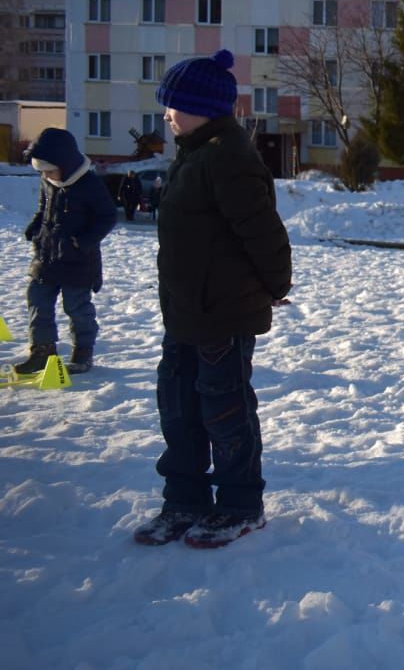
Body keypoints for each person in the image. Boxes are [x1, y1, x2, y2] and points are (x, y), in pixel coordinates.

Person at [132, 49, 292, 550]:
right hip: (184, 311)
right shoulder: (195, 155)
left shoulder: (229, 158)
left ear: (202, 107)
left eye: (173, 106)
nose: (166, 116)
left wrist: (276, 285)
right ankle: (185, 499)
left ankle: (241, 505)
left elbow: (263, 232)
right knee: (178, 410)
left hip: (223, 313)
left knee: (224, 411)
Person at [17, 127, 118, 375]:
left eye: (50, 170)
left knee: (77, 307)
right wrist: (35, 226)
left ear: (67, 163)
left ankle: (82, 351)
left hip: (78, 259)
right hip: (47, 254)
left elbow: (107, 217)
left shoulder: (89, 184)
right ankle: (43, 350)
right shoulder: (48, 180)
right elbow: (44, 208)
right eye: (42, 171)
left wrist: (83, 242)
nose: (47, 176)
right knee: (37, 299)